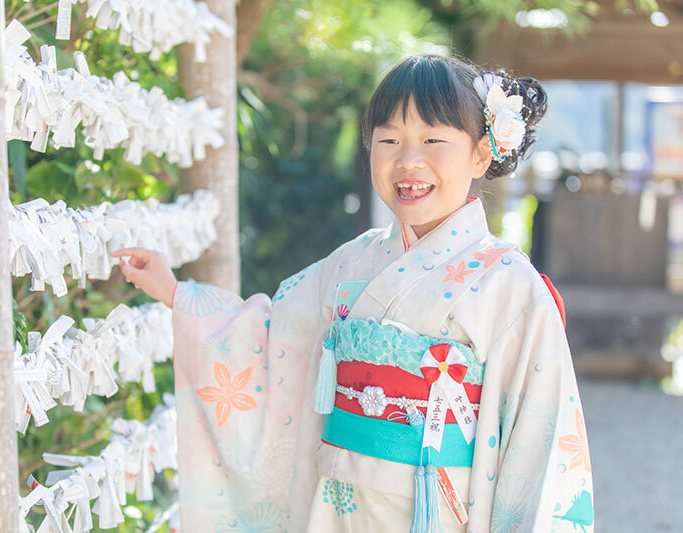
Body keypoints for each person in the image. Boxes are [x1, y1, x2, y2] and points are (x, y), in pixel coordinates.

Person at [111, 55, 594, 533]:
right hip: (339, 505)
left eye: (433, 139)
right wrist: (177, 294)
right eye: (389, 140)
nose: (409, 159)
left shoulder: (510, 284)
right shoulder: (351, 263)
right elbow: (273, 338)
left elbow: (540, 434)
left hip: (440, 508)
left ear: (481, 153)